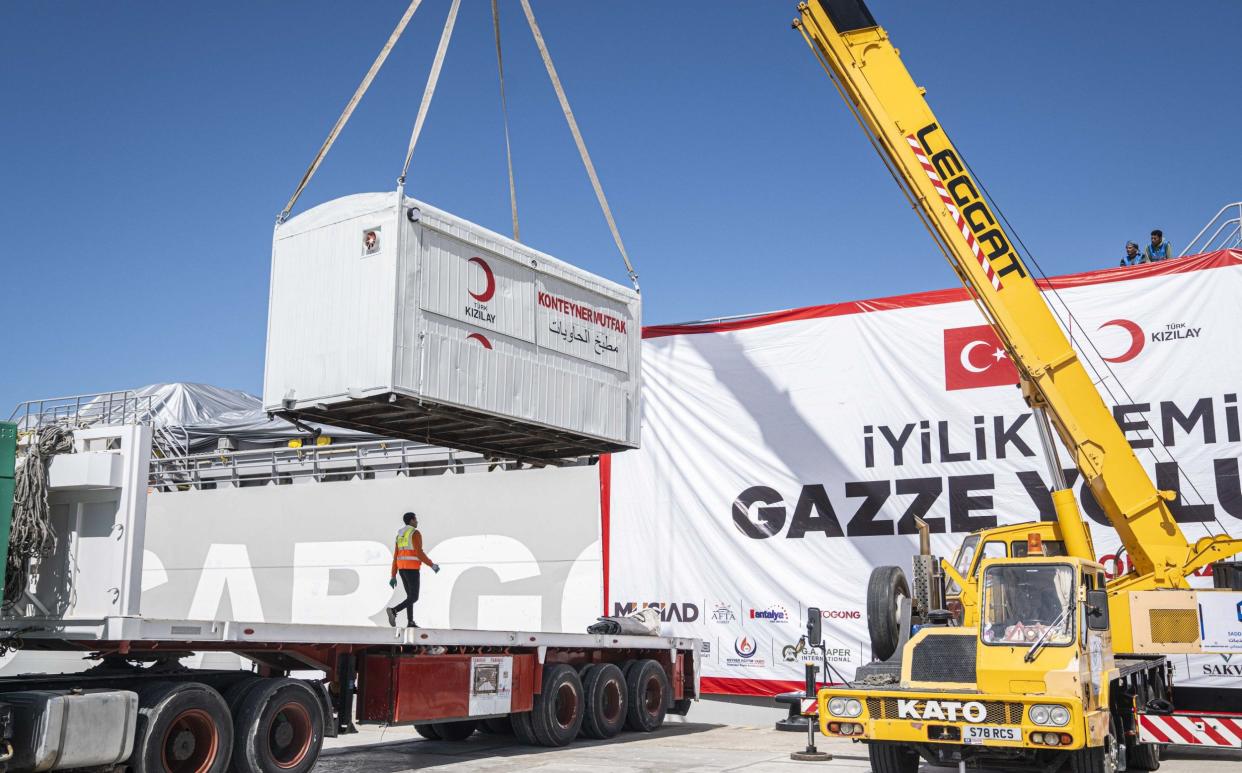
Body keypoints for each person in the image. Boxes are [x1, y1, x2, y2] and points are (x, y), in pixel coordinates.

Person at [386, 512, 439, 628]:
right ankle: (394, 611)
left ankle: (410, 622)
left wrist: (393, 575)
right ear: (411, 520)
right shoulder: (415, 533)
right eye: (415, 519)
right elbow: (419, 553)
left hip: (402, 570)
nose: (417, 521)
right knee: (414, 597)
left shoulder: (399, 535)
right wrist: (432, 565)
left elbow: (396, 556)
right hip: (412, 569)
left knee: (410, 597)